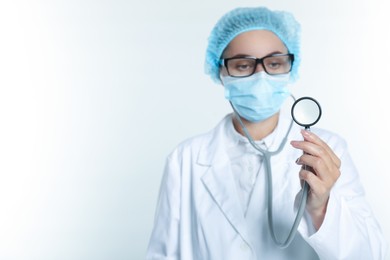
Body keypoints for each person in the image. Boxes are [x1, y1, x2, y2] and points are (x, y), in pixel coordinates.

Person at [146, 6, 388, 260]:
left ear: (290, 67)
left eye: (274, 63)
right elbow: (162, 254)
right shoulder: (185, 159)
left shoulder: (328, 149)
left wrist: (321, 208)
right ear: (220, 71)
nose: (261, 76)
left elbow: (372, 254)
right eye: (243, 65)